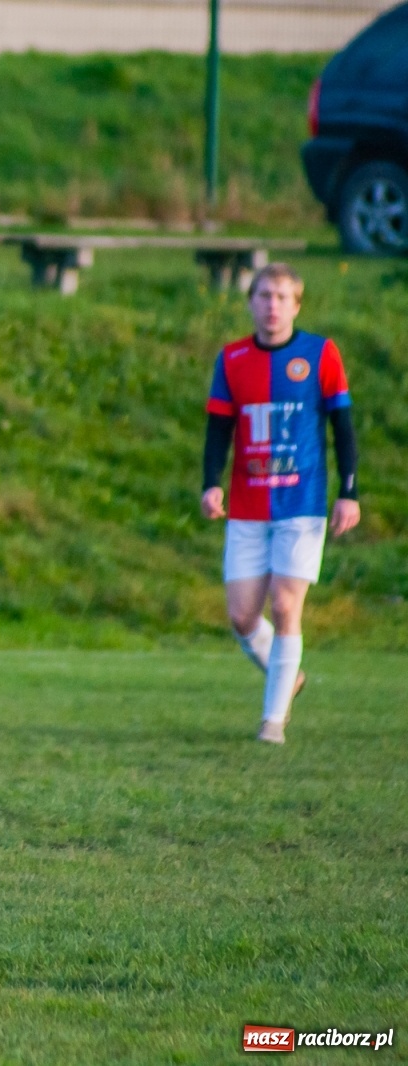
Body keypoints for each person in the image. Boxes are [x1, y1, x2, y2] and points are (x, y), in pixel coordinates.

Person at [201, 263, 359, 745]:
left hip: (302, 502)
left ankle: (273, 722)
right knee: (243, 617)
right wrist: (211, 484)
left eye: (282, 297)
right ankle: (287, 675)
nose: (272, 305)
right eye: (264, 295)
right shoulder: (232, 359)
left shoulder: (320, 354)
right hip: (249, 506)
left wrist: (348, 493)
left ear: (297, 304)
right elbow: (218, 430)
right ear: (251, 302)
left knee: (286, 604)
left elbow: (342, 427)